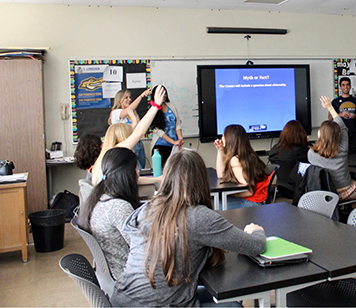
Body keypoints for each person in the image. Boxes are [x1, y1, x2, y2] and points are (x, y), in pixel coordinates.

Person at [110, 149, 266, 307]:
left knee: (220, 297)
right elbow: (256, 245)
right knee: (234, 307)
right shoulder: (198, 217)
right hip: (160, 304)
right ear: (200, 180)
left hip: (122, 300)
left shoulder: (147, 209)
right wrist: (257, 231)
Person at [78, 148, 140, 280]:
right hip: (130, 279)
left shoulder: (97, 199)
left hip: (112, 275)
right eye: (135, 169)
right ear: (126, 174)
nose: (138, 174)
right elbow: (142, 248)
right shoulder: (118, 207)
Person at [91, 86, 166, 186]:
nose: (129, 99)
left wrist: (158, 179)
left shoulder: (108, 154)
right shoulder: (117, 152)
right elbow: (139, 131)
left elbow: (136, 179)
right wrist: (155, 105)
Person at [308, 96, 356, 202]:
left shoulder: (311, 153)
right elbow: (342, 127)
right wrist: (330, 107)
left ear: (320, 134)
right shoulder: (342, 149)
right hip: (346, 190)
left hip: (325, 193)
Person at [214, 124, 270, 209]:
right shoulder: (248, 155)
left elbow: (249, 191)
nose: (221, 138)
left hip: (252, 203)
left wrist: (228, 194)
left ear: (230, 139)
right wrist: (220, 150)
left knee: (212, 203)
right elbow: (220, 174)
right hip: (258, 200)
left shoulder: (235, 160)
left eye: (223, 136)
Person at [109, 89, 152, 168]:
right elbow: (128, 110)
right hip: (128, 144)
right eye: (126, 98)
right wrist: (141, 96)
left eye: (130, 97)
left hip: (138, 143)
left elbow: (139, 126)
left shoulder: (131, 112)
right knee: (135, 169)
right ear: (120, 100)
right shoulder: (116, 113)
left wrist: (134, 112)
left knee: (141, 169)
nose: (129, 99)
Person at [268, 120, 309, 198]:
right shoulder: (300, 152)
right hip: (298, 189)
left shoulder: (275, 149)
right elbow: (310, 163)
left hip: (281, 188)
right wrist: (306, 144)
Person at [150, 85, 183, 168]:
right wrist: (173, 142)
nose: (163, 96)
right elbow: (158, 131)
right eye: (161, 93)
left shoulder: (171, 106)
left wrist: (180, 139)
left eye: (165, 93)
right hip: (160, 146)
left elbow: (177, 123)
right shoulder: (153, 109)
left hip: (174, 146)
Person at [330, 77, 356, 154]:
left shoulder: (355, 101)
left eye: (347, 85)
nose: (345, 87)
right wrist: (340, 115)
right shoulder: (335, 102)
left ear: (350, 86)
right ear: (340, 87)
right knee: (341, 153)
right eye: (343, 85)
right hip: (339, 132)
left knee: (353, 154)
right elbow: (330, 117)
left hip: (353, 132)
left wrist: (355, 116)